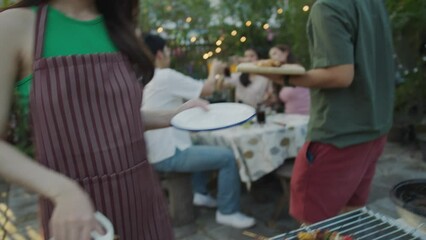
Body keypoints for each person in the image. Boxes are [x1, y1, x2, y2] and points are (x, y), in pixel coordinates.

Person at [0, 1, 207, 239]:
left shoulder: (118, 28)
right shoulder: (14, 25)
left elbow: (109, 118)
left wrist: (173, 116)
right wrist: (61, 191)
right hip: (76, 217)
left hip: (144, 200)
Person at [270, 0, 395, 224]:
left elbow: (340, 75)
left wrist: (285, 78)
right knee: (351, 217)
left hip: (338, 135)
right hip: (375, 130)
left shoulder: (327, 6)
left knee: (313, 227)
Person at [142, 34, 256, 229]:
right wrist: (215, 69)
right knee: (228, 157)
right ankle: (227, 212)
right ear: (160, 53)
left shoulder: (146, 77)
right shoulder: (165, 75)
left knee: (200, 143)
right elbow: (208, 89)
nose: (169, 54)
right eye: (168, 50)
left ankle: (201, 193)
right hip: (169, 153)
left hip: (155, 151)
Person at [268, 44, 310, 115]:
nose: (272, 58)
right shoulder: (279, 76)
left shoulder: (297, 68)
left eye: (275, 53)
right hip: (289, 118)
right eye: (271, 56)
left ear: (285, 53)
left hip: (305, 117)